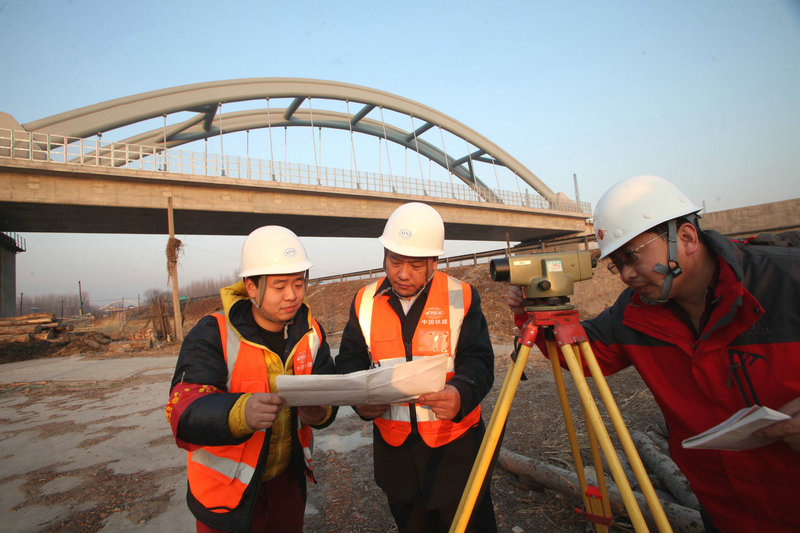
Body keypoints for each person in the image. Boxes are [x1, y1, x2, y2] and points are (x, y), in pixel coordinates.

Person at [507, 175, 800, 533]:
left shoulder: (785, 280)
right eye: (617, 263)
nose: (626, 275)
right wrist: (535, 315)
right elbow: (586, 355)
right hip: (725, 511)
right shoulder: (634, 311)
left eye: (632, 256)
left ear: (687, 238)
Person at [336, 202, 497, 532]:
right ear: (384, 255)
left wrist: (461, 393)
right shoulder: (364, 302)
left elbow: (479, 360)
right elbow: (350, 361)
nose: (402, 273)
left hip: (456, 448)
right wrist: (360, 401)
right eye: (395, 261)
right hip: (396, 456)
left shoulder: (462, 296)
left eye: (415, 264)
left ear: (434, 262)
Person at [166, 225, 337, 533]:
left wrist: (321, 412)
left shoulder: (311, 333)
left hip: (286, 485)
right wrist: (240, 413)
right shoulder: (213, 333)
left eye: (299, 283)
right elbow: (184, 411)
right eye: (279, 286)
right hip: (226, 497)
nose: (292, 295)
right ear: (251, 287)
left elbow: (331, 391)